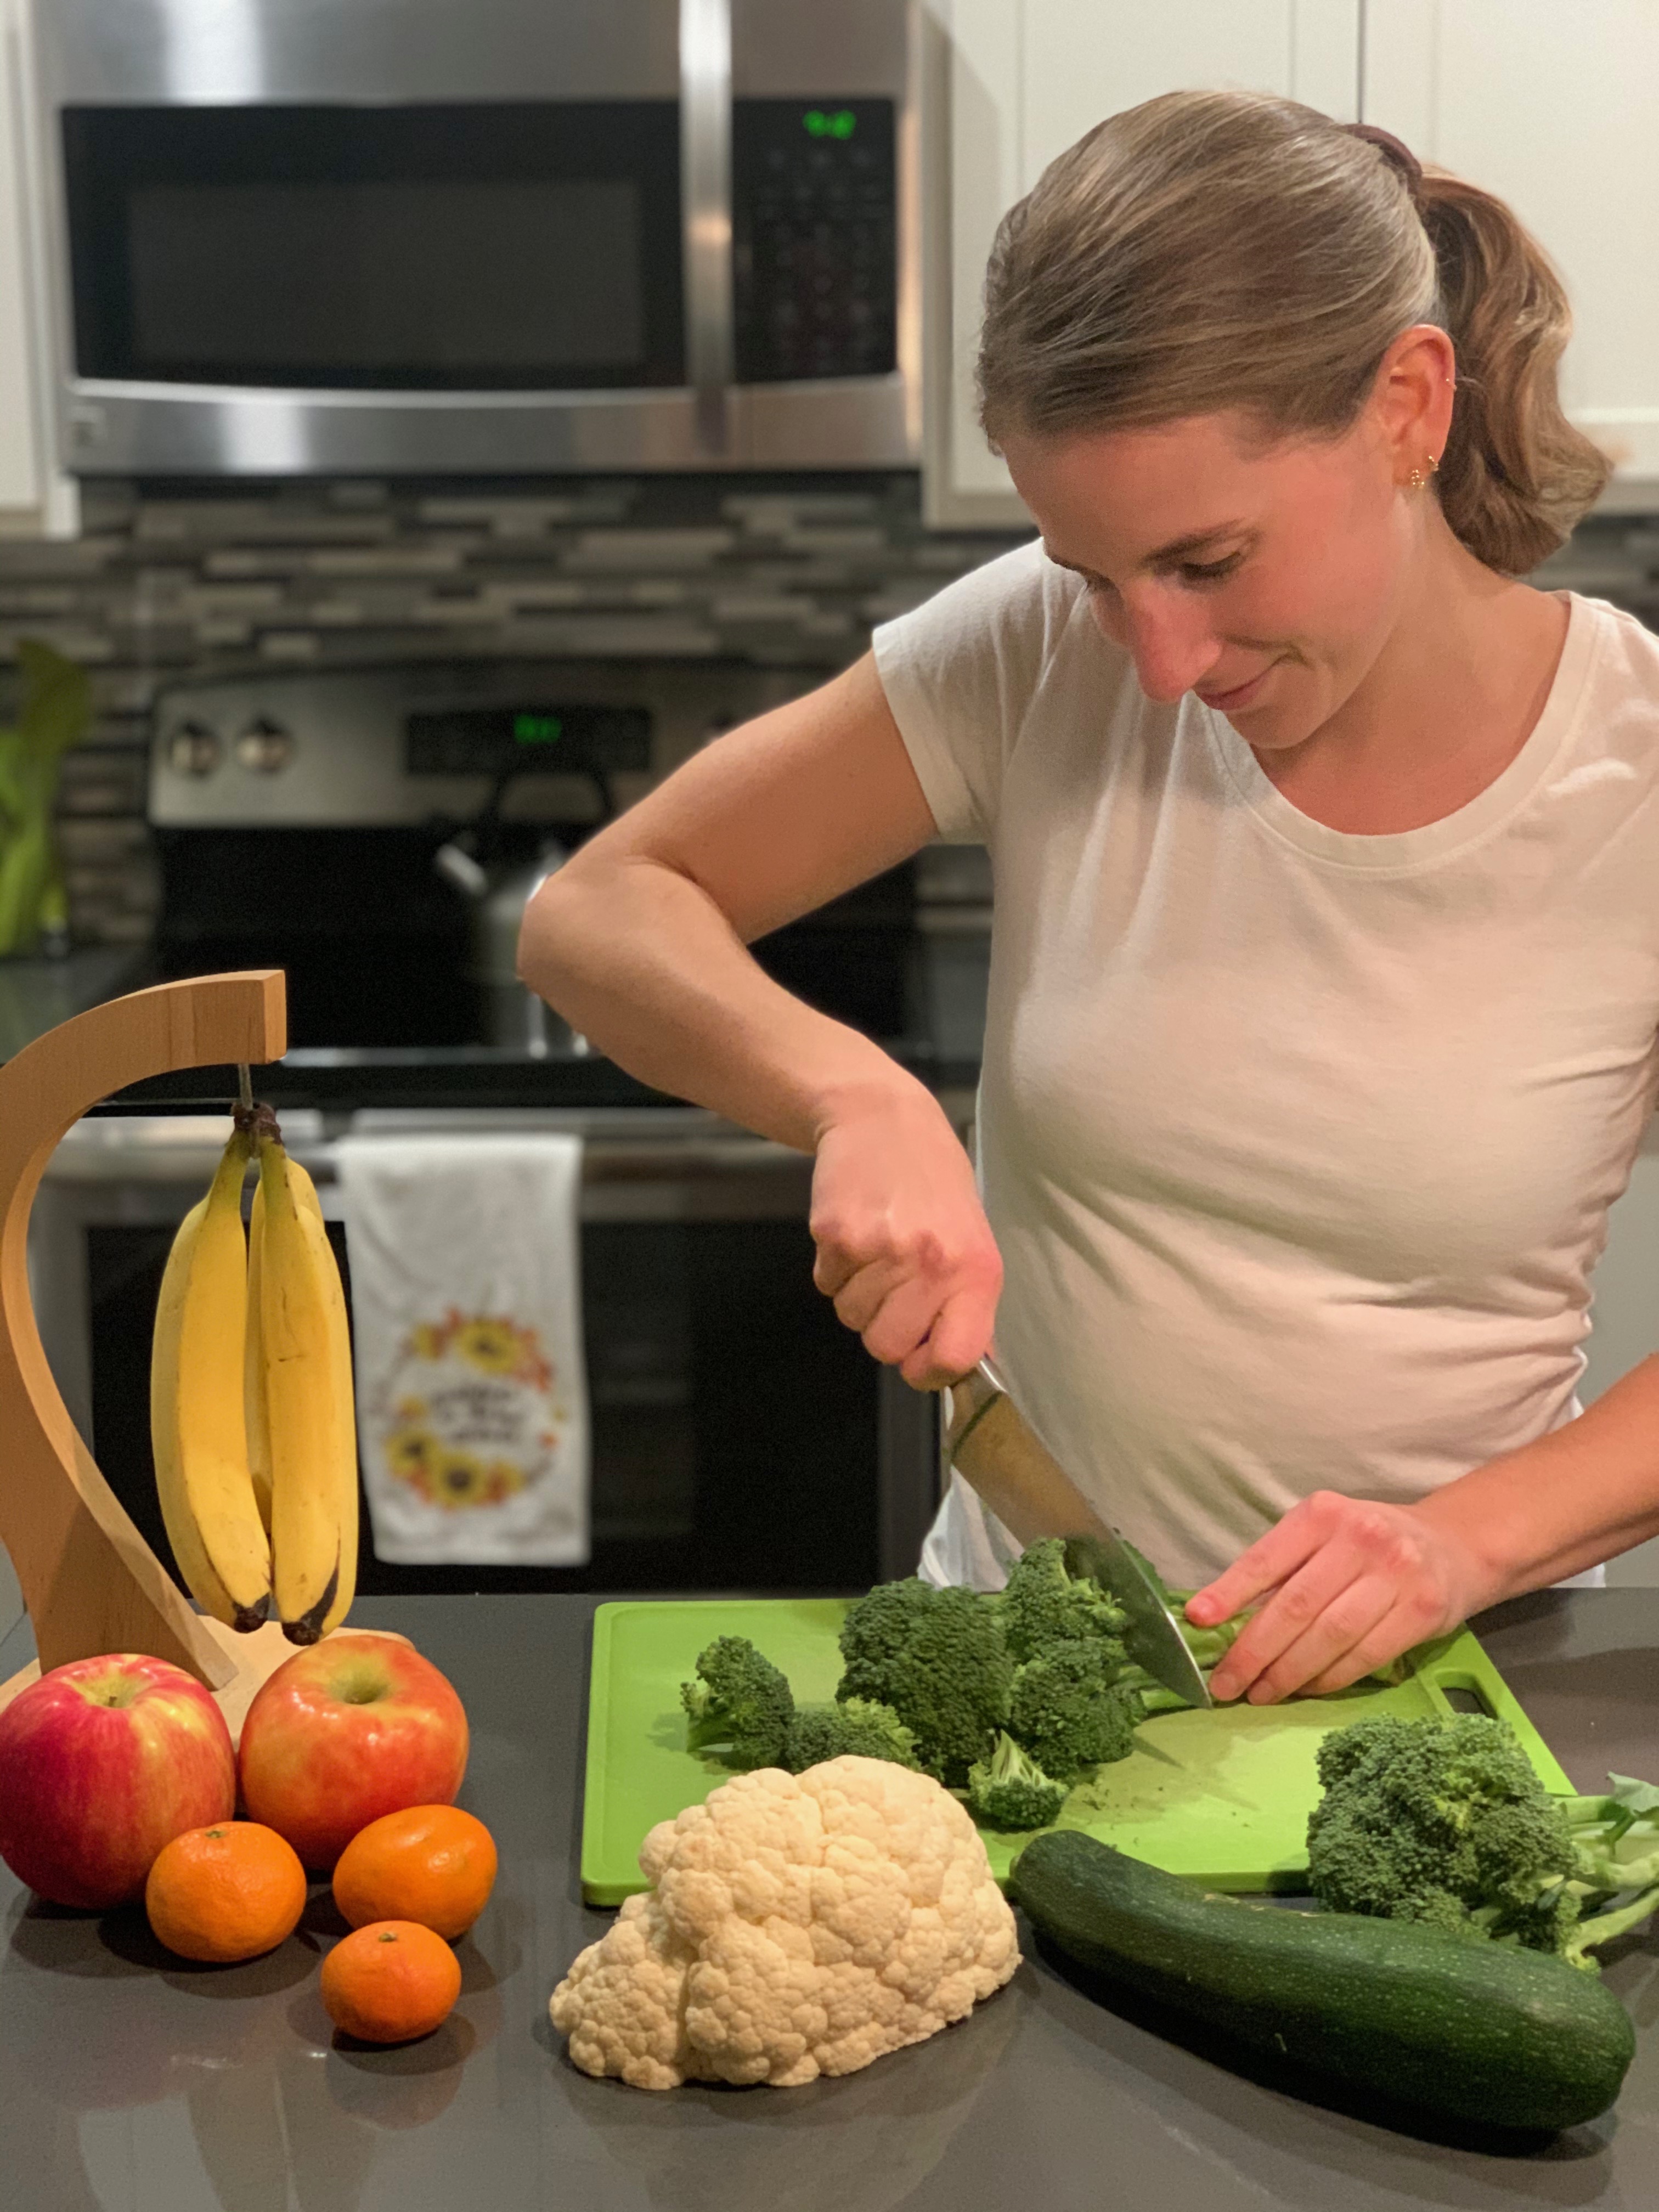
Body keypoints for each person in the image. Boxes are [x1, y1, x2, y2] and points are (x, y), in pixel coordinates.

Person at [519, 89, 1659, 1703]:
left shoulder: (1639, 780)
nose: (1161, 660)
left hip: (1460, 1704)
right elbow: (597, 911)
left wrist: (1462, 1542)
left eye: (1209, 562)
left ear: (1410, 405)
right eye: (1092, 575)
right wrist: (855, 1096)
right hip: (1025, 1674)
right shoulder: (1041, 655)